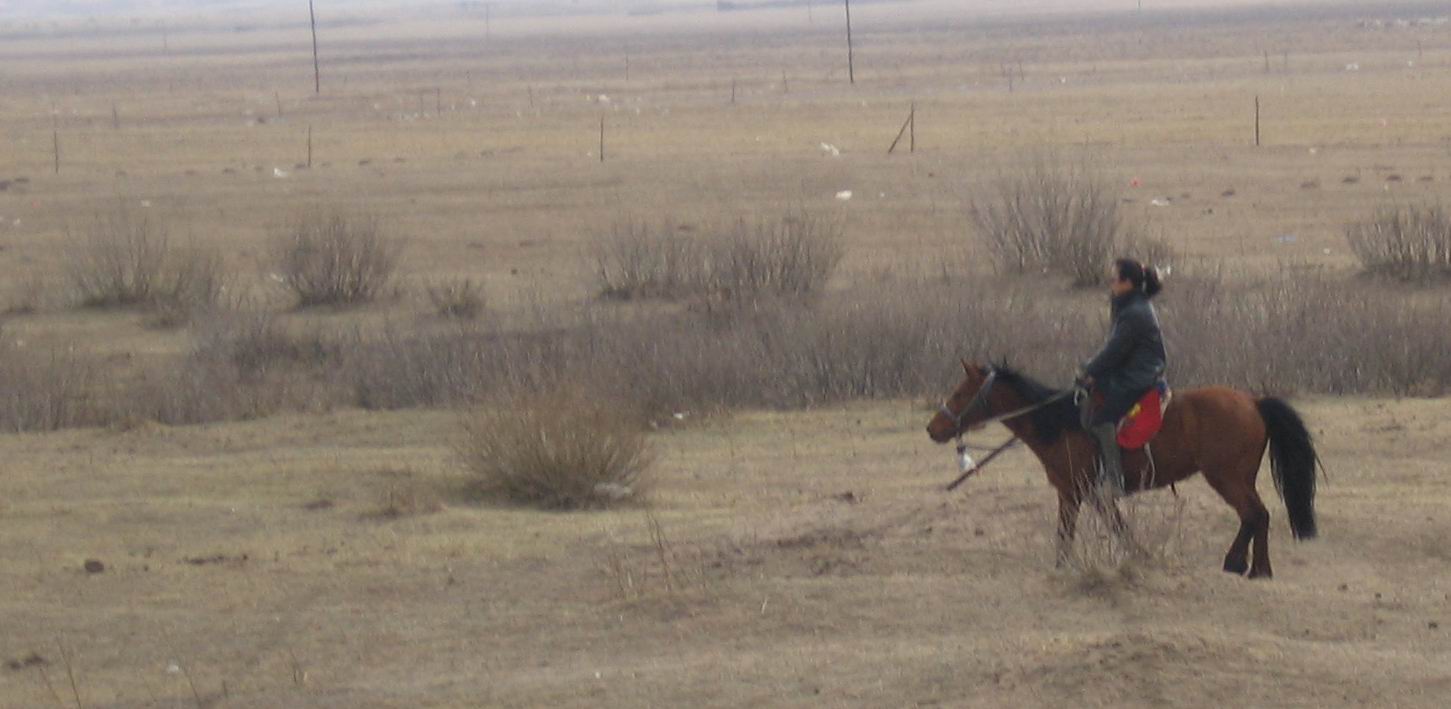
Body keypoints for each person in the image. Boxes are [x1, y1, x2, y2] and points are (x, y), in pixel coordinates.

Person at [1076, 258, 1167, 498]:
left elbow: (1114, 350)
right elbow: (1115, 350)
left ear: (1127, 283)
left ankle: (1114, 479)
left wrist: (1089, 371)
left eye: (1114, 278)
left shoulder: (1134, 312)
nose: (1110, 282)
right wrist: (1093, 370)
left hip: (1139, 375)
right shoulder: (1129, 306)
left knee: (1100, 418)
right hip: (1132, 370)